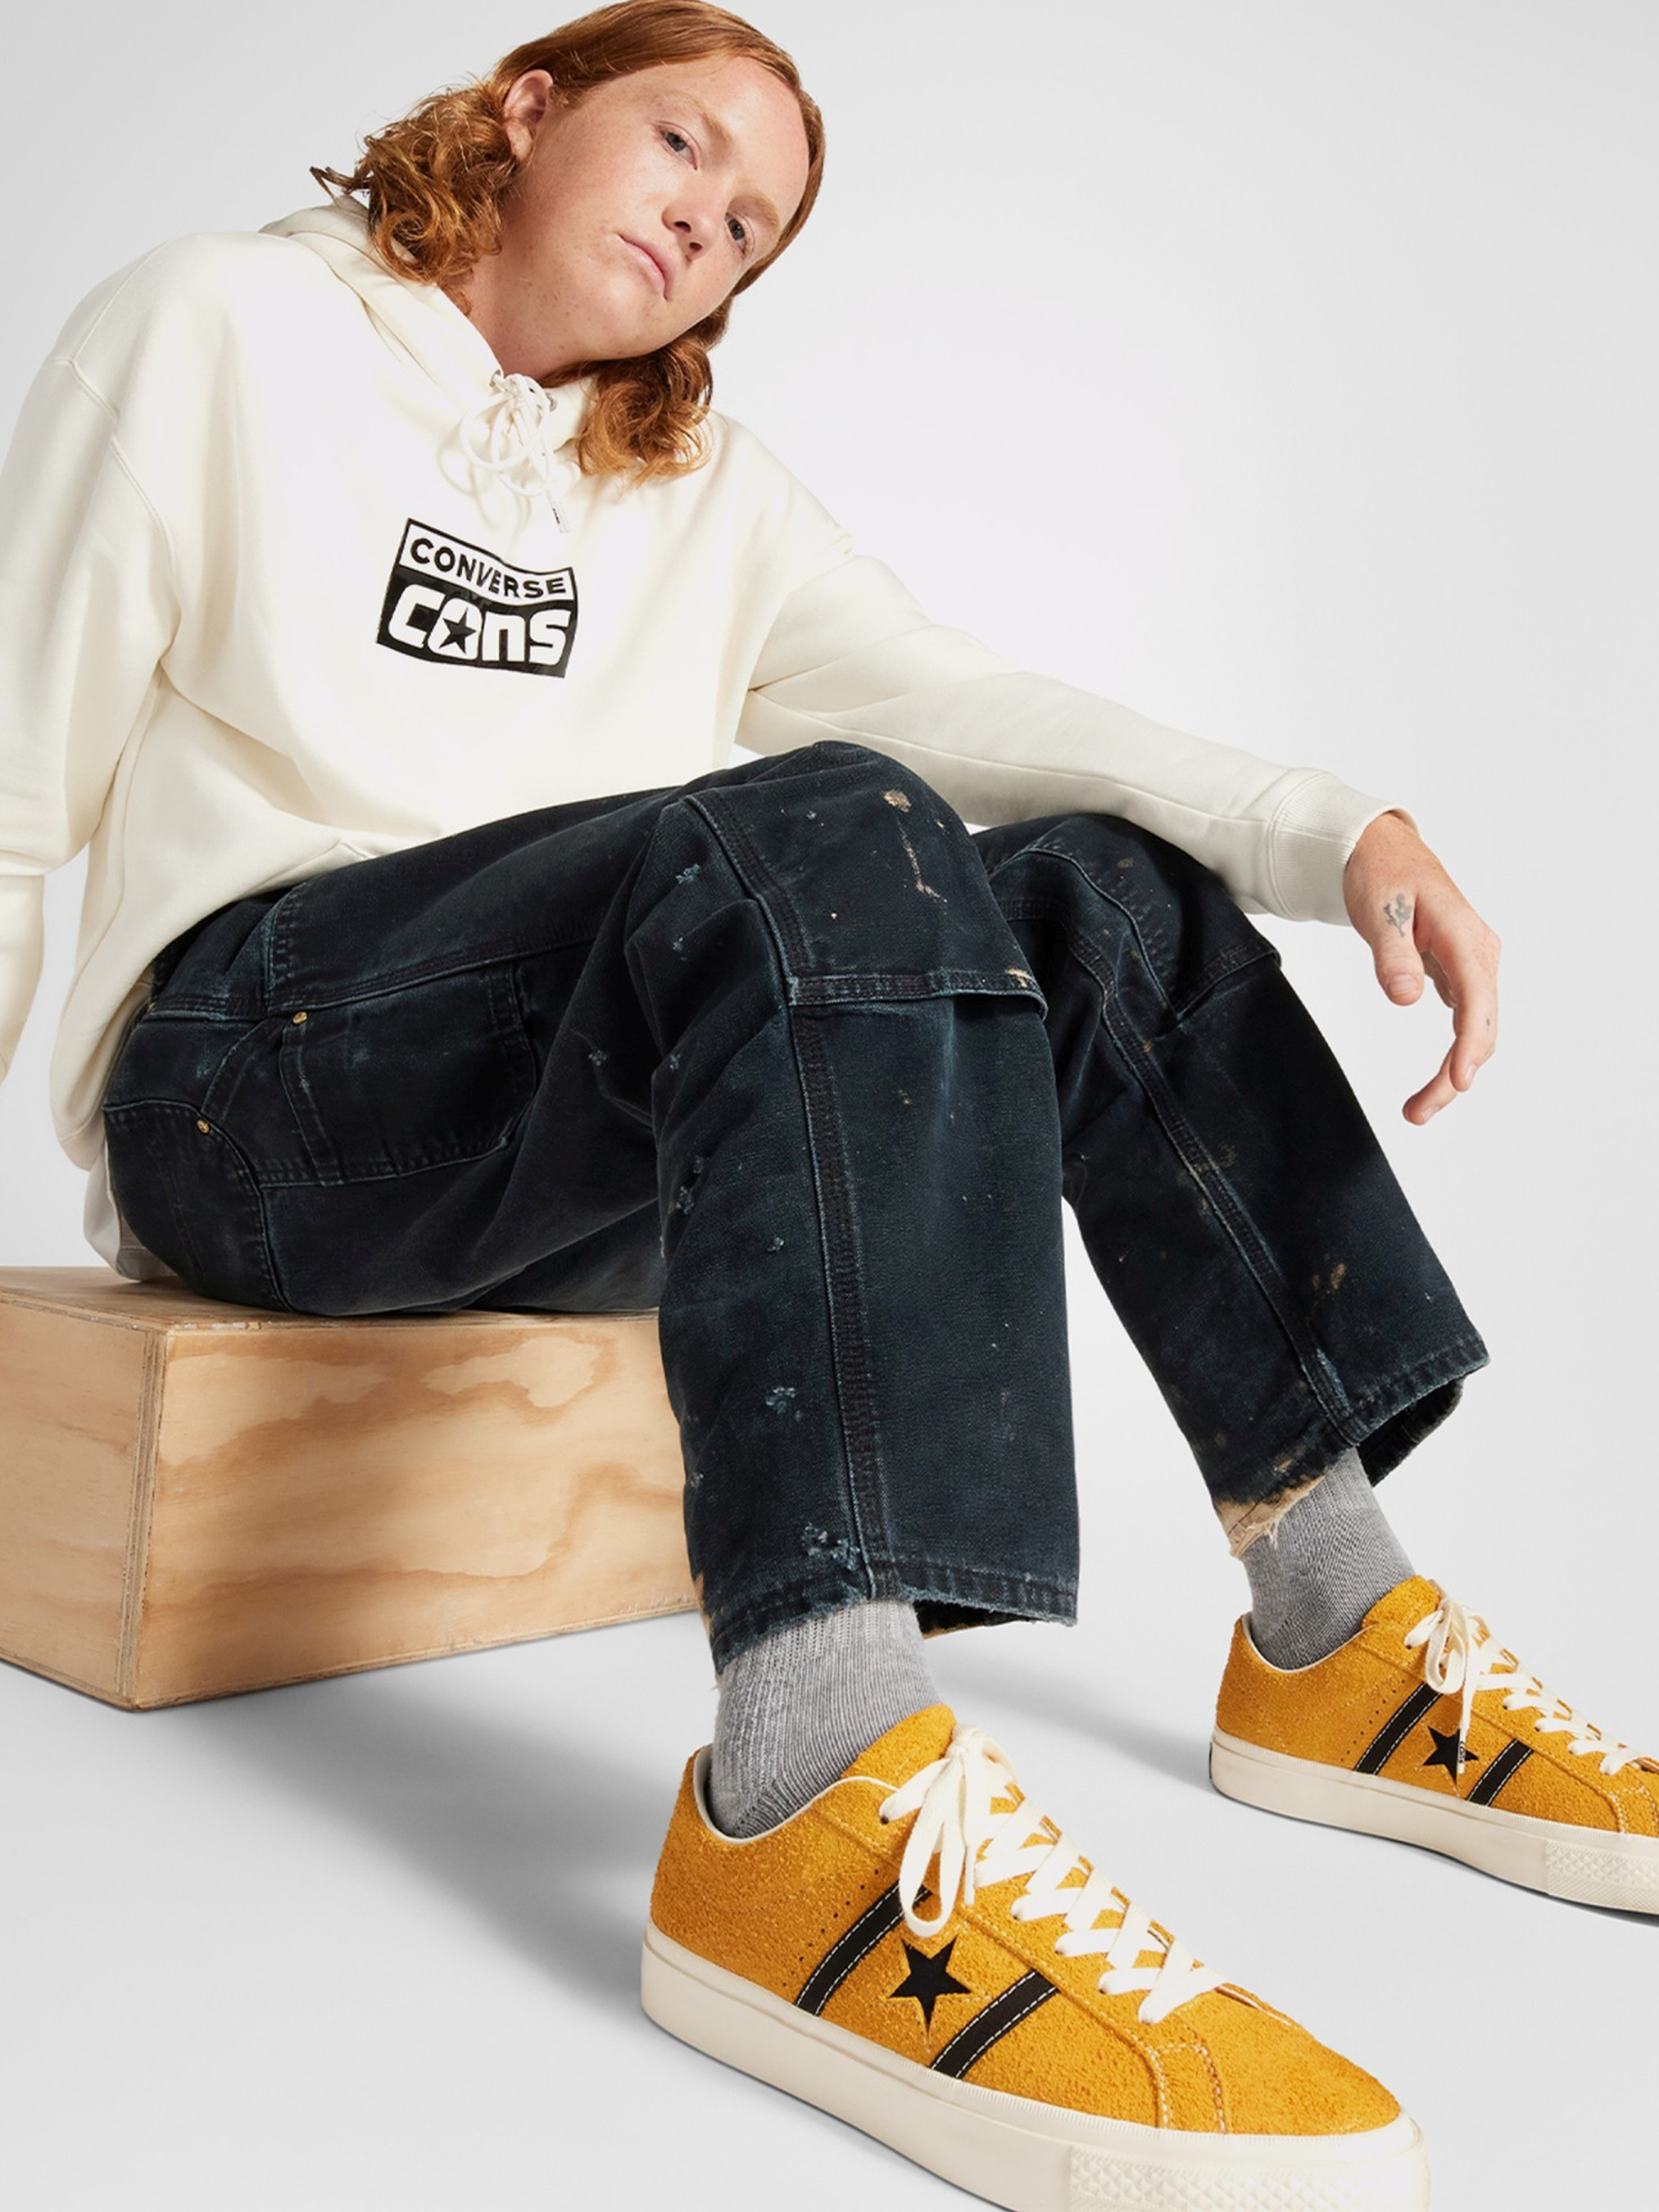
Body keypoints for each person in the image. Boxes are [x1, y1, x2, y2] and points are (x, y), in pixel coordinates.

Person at [0, 3, 1649, 2205]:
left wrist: (1330, 825)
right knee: (815, 821)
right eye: (681, 143)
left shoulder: (696, 491)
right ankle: (817, 1788)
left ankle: (1338, 1630)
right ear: (528, 107)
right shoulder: (211, 329)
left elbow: (977, 705)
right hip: (250, 1093)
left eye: (756, 224)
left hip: (541, 1134)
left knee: (1086, 881)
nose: (710, 221)